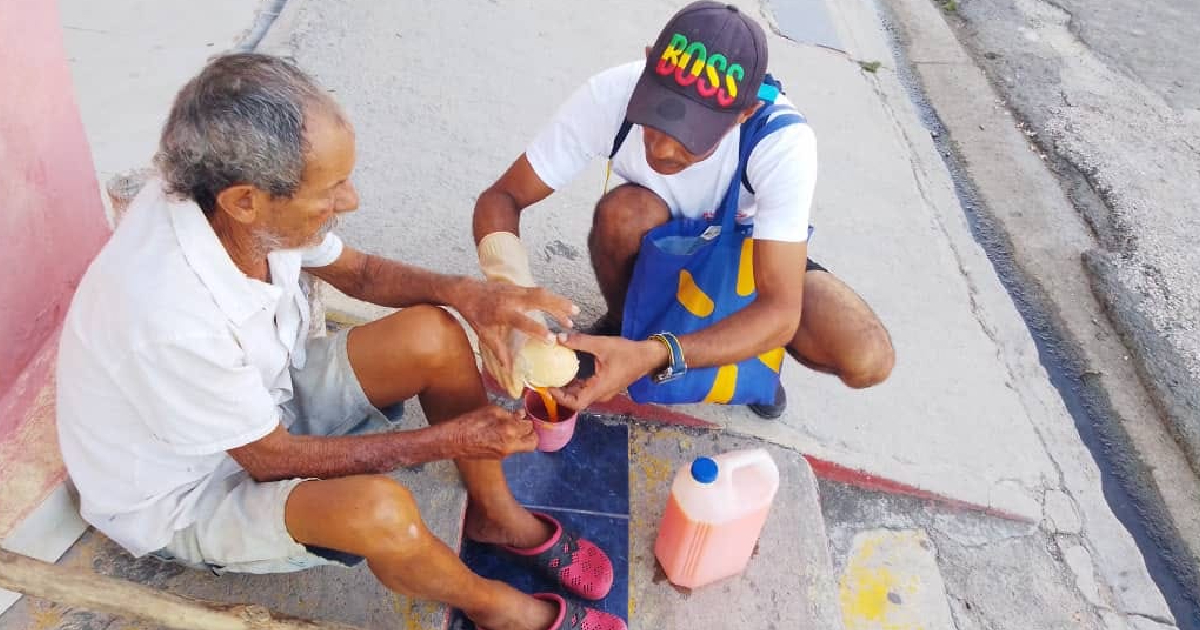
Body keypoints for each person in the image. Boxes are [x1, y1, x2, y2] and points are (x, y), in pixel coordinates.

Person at [56, 54, 626, 630]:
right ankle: (500, 610)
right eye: (330, 190)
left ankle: (497, 517)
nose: (350, 200)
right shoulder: (172, 315)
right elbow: (270, 460)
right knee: (381, 513)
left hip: (258, 404)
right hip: (189, 492)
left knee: (434, 332)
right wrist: (443, 440)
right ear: (245, 200)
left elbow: (361, 274)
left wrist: (469, 294)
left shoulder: (238, 210)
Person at [473, 1, 894, 419]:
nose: (662, 148)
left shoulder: (781, 141)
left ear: (743, 114)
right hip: (659, 240)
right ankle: (627, 327)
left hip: (743, 257)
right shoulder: (612, 94)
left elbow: (780, 310)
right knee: (623, 214)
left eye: (692, 135)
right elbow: (502, 198)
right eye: (654, 119)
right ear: (646, 68)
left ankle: (740, 357)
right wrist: (512, 298)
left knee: (868, 358)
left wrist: (659, 354)